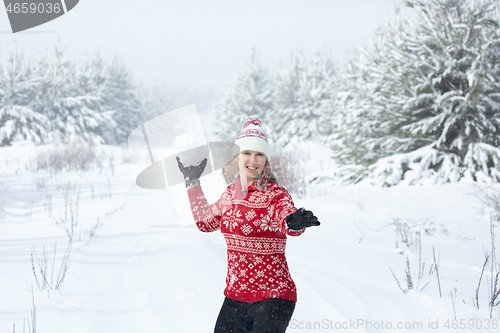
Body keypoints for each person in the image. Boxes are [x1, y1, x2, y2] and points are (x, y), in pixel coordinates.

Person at [176, 115, 320, 333]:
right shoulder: (229, 196)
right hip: (235, 296)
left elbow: (285, 215)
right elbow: (205, 222)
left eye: (259, 154)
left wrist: (294, 222)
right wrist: (192, 182)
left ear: (266, 160)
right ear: (237, 157)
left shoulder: (274, 194)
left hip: (274, 295)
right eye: (247, 153)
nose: (253, 161)